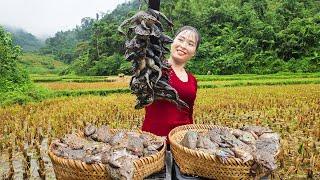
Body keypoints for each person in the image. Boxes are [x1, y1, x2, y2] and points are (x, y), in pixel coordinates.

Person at [142, 26, 201, 179]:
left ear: (194, 52)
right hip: (155, 145)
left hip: (182, 147)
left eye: (190, 43)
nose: (183, 45)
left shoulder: (192, 79)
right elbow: (142, 61)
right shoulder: (156, 69)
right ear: (171, 42)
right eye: (180, 40)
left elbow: (189, 113)